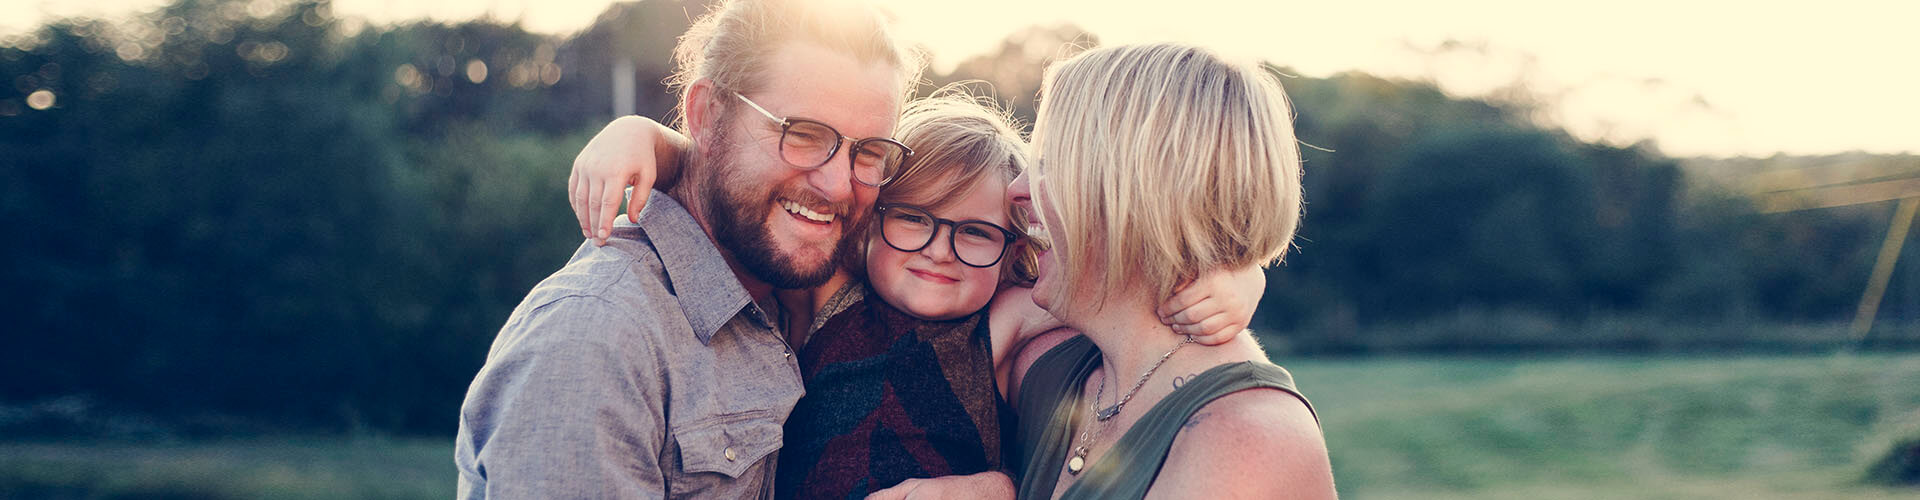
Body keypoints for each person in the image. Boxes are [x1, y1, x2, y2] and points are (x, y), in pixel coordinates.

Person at [564, 86, 1268, 498]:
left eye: (975, 233)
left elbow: (1122, 283)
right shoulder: (826, 291)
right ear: (872, 218)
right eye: (914, 220)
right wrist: (647, 138)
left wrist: (1237, 274)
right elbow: (754, 193)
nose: (938, 250)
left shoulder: (1005, 318)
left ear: (1013, 249)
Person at [453, 0, 921, 497]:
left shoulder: (793, 290)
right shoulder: (599, 338)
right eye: (803, 134)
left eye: (869, 151)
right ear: (706, 115)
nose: (838, 185)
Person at [994, 42, 1338, 499]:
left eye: (1049, 164)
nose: (1017, 190)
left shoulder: (1246, 443)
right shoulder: (1046, 371)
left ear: (1140, 192)